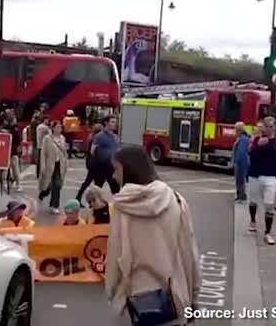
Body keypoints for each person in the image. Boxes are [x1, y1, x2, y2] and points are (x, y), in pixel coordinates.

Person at [105, 145, 201, 325]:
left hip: (137, 302)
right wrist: (193, 296)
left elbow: (115, 254)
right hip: (175, 297)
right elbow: (190, 253)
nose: (113, 175)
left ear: (129, 170)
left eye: (116, 169)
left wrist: (111, 291)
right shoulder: (177, 200)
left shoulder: (122, 208)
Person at [247, 116, 276, 245]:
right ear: (264, 128)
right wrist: (257, 145)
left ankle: (268, 232)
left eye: (272, 127)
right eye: (267, 127)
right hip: (256, 174)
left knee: (269, 204)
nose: (269, 129)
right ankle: (253, 221)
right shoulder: (257, 140)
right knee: (253, 200)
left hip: (270, 176)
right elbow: (251, 154)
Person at [38, 121, 68, 214]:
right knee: (48, 185)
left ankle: (54, 205)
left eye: (60, 127)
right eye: (58, 127)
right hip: (50, 164)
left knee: (57, 185)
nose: (60, 129)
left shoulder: (63, 138)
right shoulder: (47, 138)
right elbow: (43, 153)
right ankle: (43, 193)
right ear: (53, 128)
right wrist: (42, 166)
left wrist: (66, 163)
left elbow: (64, 152)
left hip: (60, 164)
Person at [91, 115, 120, 194]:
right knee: (97, 190)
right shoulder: (100, 136)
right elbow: (92, 151)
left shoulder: (115, 137)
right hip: (101, 167)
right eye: (112, 122)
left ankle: (116, 205)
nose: (114, 124)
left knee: (116, 190)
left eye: (115, 122)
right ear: (106, 123)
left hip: (112, 168)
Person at [76, 123, 103, 202]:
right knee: (97, 183)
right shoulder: (97, 140)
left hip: (91, 163)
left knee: (89, 181)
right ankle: (95, 200)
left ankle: (79, 197)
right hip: (96, 164)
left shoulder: (91, 137)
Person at [233, 121, 250, 204]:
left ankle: (242, 197)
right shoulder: (243, 138)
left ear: (239, 130)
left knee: (240, 180)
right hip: (241, 162)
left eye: (235, 130)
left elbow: (241, 152)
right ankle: (240, 196)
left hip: (241, 163)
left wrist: (237, 162)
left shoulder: (243, 139)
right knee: (239, 180)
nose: (234, 132)